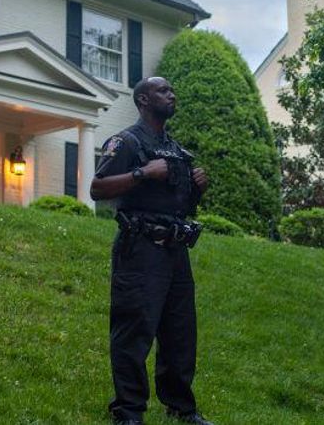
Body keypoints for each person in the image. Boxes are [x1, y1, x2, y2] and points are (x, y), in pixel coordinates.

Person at [91, 77, 213, 425]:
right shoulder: (126, 142)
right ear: (143, 99)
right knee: (134, 331)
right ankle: (128, 412)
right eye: (163, 91)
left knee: (180, 333)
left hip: (176, 252)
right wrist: (142, 172)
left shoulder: (177, 151)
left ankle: (182, 408)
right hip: (139, 249)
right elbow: (97, 188)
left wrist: (197, 190)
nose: (172, 94)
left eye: (173, 90)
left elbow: (180, 205)